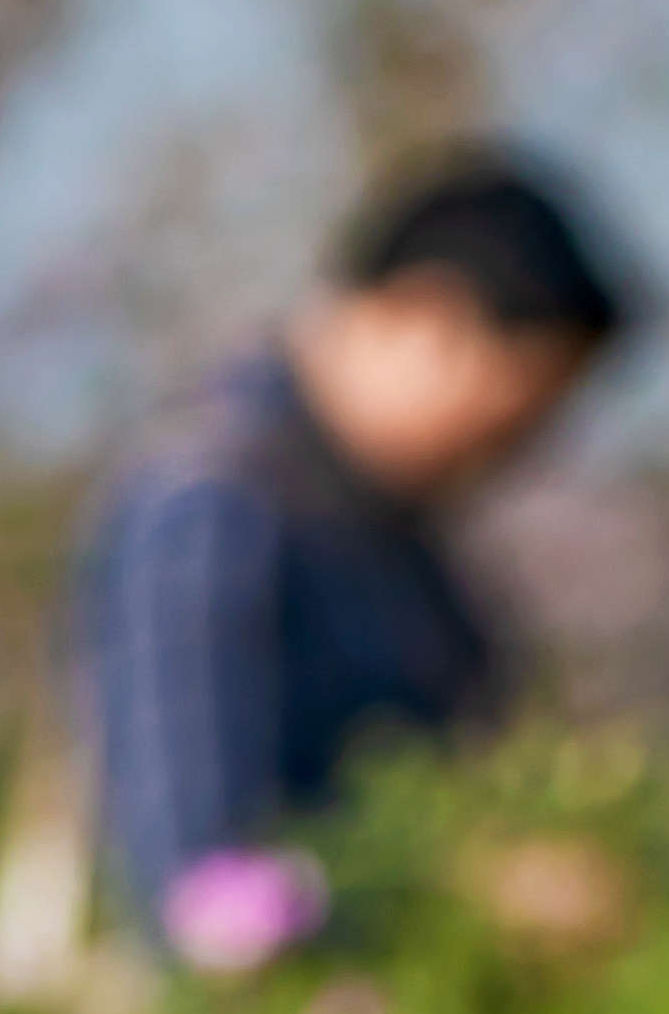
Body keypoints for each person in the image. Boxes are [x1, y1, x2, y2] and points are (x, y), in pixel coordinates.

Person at [70, 143, 635, 950]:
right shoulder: (209, 512)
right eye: (511, 419)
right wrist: (469, 892)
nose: (515, 457)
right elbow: (196, 893)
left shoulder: (402, 547)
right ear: (427, 321)